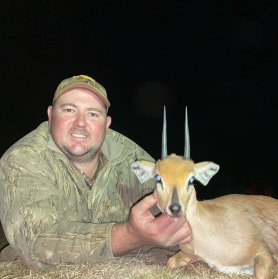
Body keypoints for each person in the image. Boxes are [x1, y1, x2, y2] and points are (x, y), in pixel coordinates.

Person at [0, 75, 192, 268]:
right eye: (69, 110)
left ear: (107, 123)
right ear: (50, 116)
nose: (80, 123)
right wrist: (130, 236)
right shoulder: (24, 159)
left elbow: (179, 212)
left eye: (93, 114)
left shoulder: (131, 157)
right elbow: (38, 243)